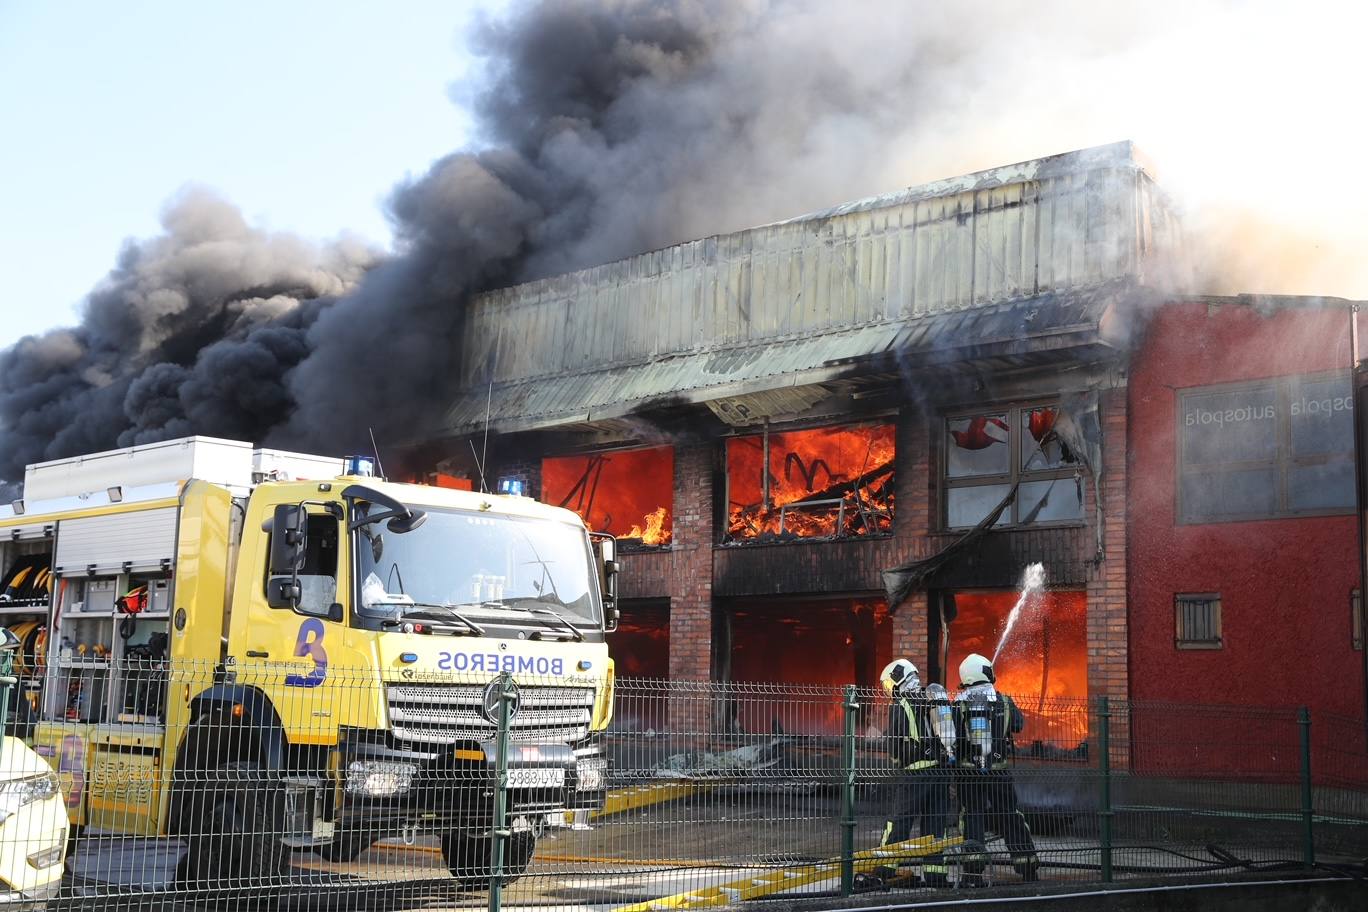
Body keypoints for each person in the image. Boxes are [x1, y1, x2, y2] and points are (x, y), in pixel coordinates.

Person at [953, 653, 1039, 883]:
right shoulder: (1003, 700)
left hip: (968, 773)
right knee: (1010, 814)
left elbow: (953, 737)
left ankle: (973, 873)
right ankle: (1027, 866)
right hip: (999, 771)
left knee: (972, 817)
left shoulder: (959, 703)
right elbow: (1018, 725)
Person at [877, 658, 952, 888]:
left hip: (915, 774)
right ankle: (936, 875)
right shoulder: (933, 697)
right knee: (935, 825)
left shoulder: (900, 704)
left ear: (896, 680)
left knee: (899, 821)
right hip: (940, 773)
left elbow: (894, 745)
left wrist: (898, 760)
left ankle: (885, 869)